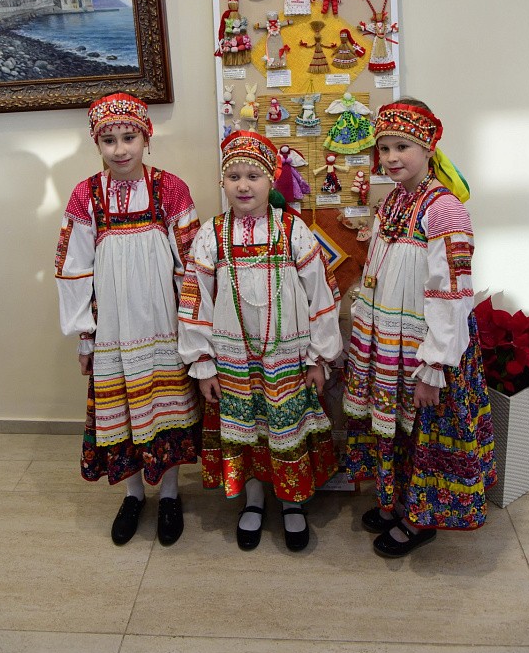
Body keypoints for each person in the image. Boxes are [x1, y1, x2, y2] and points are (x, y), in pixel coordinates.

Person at [343, 98, 496, 557]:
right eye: (384, 148)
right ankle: (396, 501)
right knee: (398, 430)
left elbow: (453, 293)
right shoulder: (394, 201)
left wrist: (435, 364)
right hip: (391, 342)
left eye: (402, 147)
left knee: (423, 432)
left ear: (429, 147)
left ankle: (419, 519)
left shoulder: (444, 210)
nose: (391, 158)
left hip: (426, 349)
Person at [178, 130, 343, 552]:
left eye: (253, 176)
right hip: (233, 357)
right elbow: (194, 297)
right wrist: (202, 363)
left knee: (287, 427)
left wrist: (319, 357)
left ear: (271, 180)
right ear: (222, 182)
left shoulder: (292, 229)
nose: (243, 185)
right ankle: (252, 500)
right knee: (246, 430)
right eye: (234, 176)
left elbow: (321, 293)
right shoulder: (212, 234)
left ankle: (292, 501)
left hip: (287, 355)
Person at [55, 92, 202, 546]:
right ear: (97, 143)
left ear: (146, 138)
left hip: (163, 322)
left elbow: (191, 263)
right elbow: (73, 268)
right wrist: (85, 335)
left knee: (166, 406)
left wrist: (192, 328)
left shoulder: (170, 188)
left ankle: (171, 493)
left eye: (129, 137)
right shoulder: (86, 195)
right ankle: (134, 494)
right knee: (123, 408)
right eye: (109, 140)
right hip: (113, 329)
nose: (120, 149)